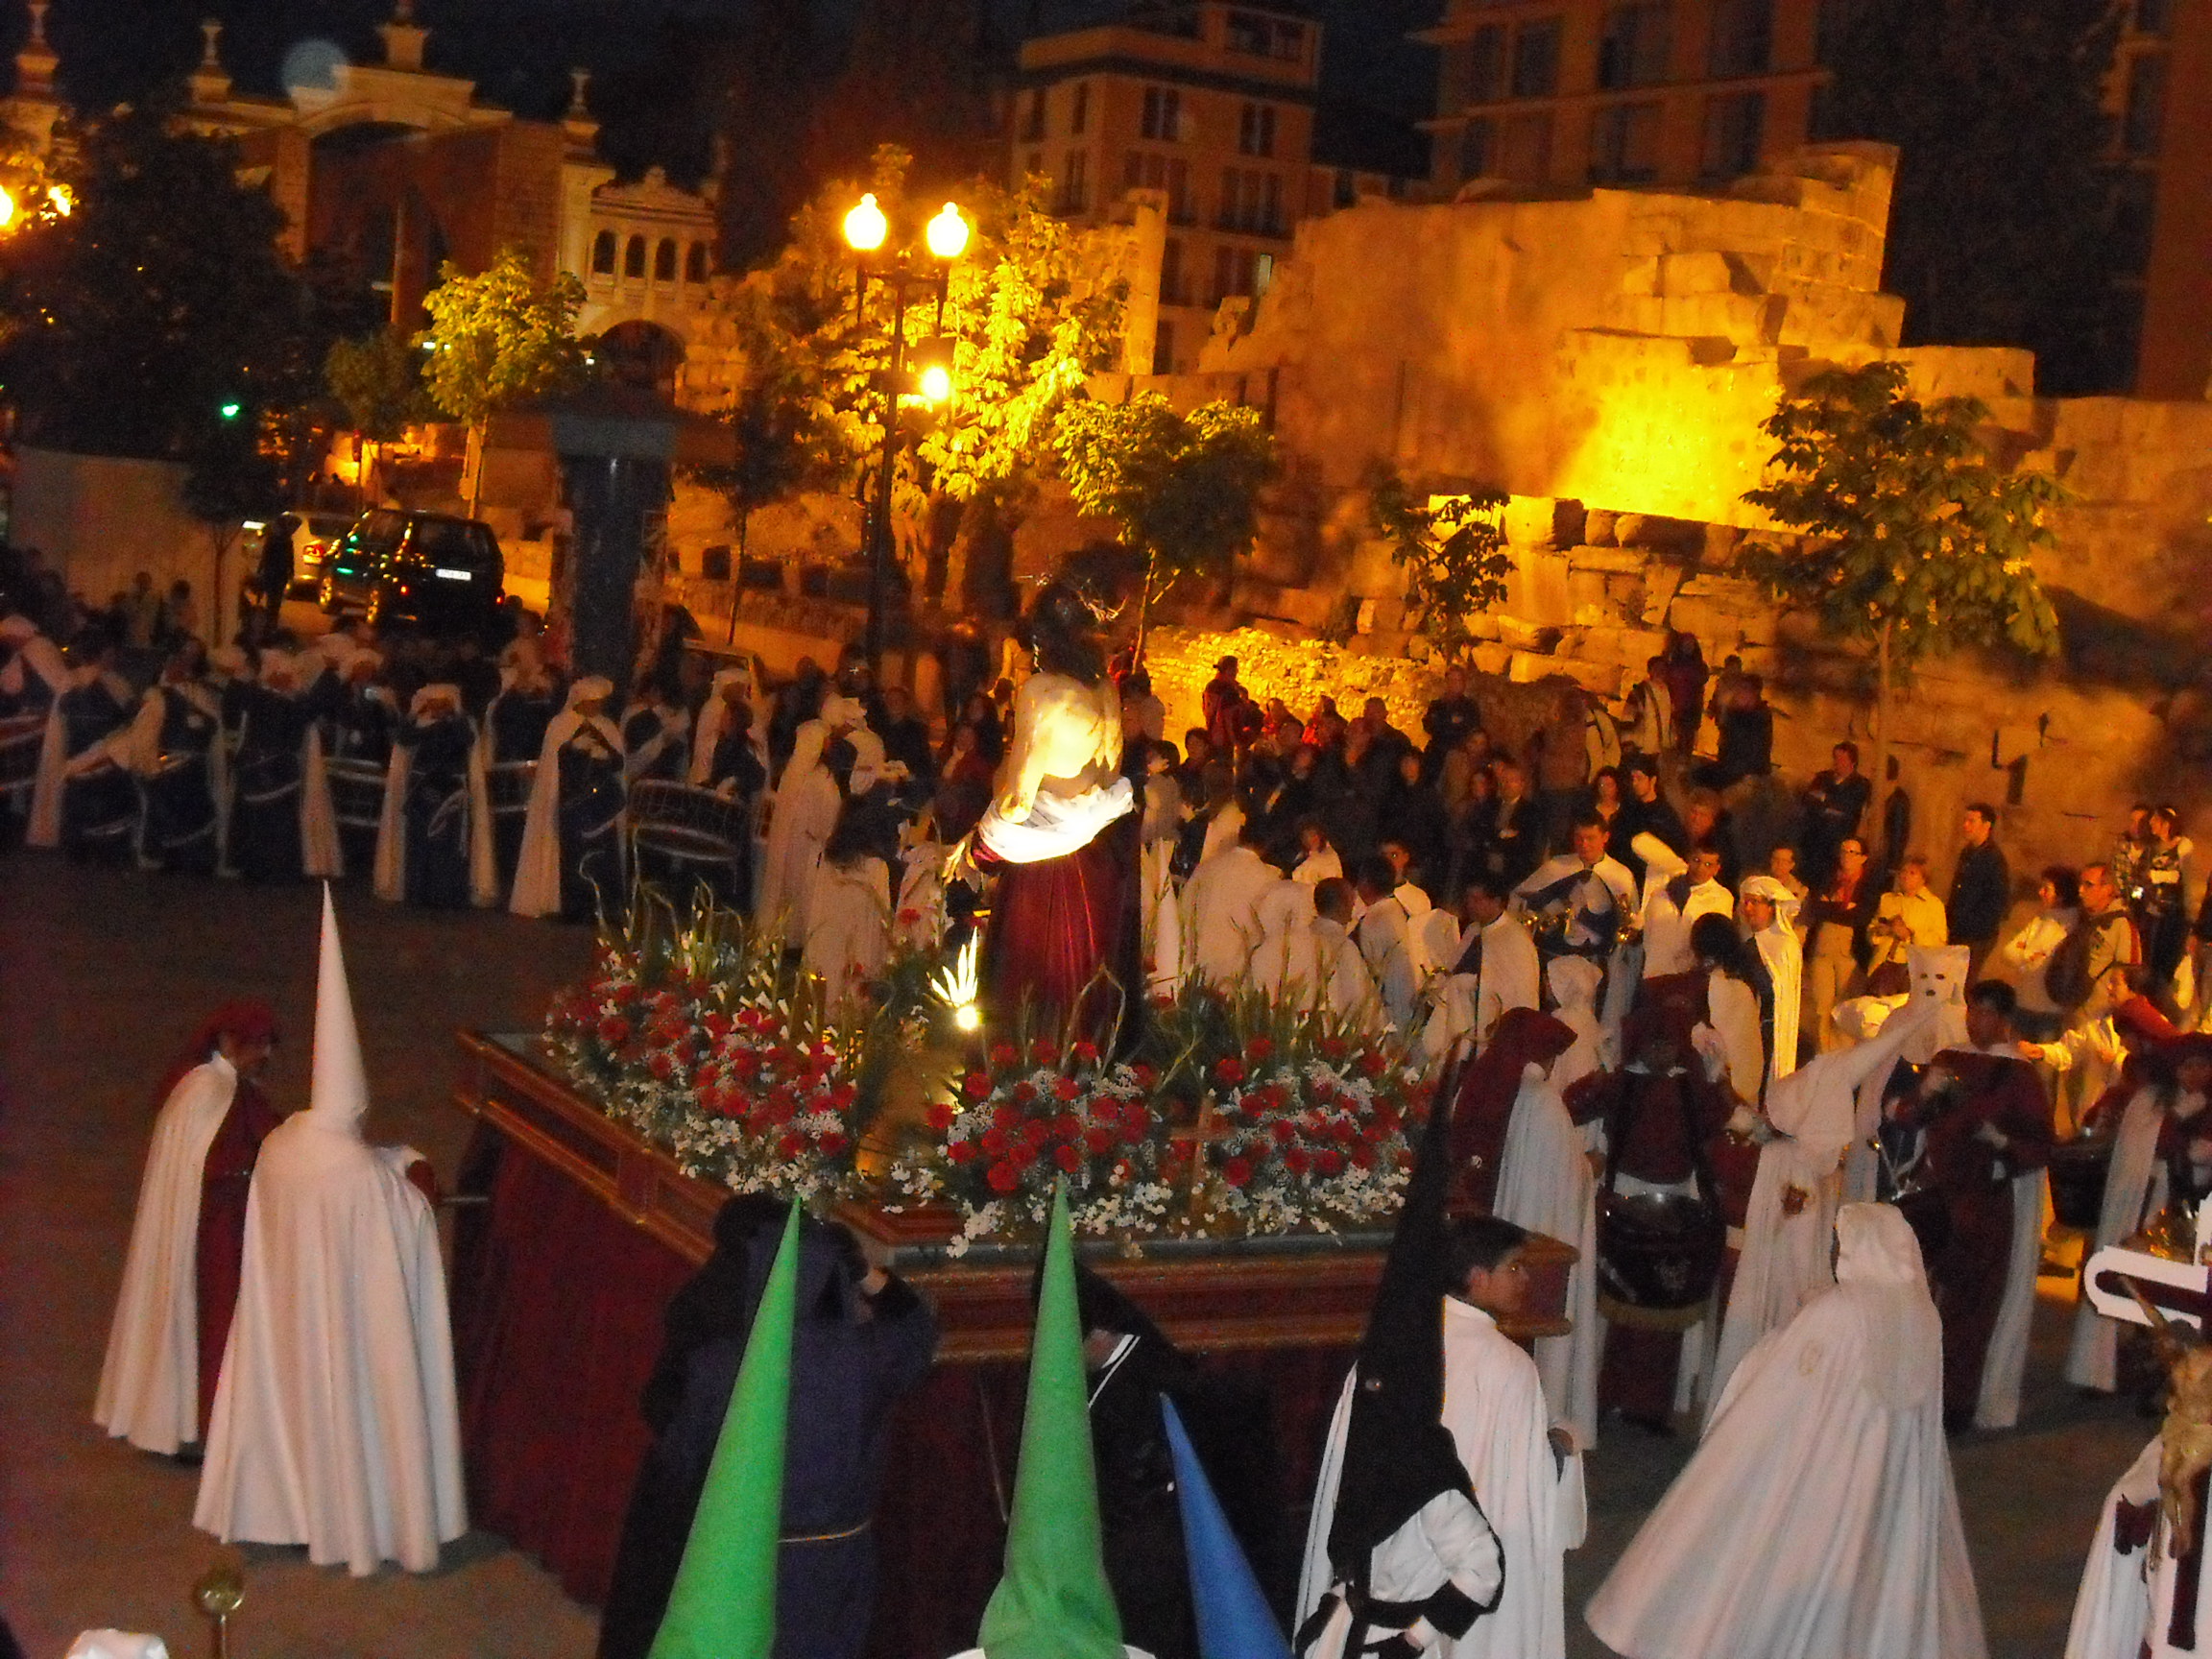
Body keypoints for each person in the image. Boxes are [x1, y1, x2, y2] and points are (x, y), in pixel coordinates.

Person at [195, 892, 465, 1575]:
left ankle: (280, 1505)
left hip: (289, 1312)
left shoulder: (285, 1142)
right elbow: (399, 1215)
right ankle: (356, 1514)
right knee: (348, 1399)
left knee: (291, 1396)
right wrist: (415, 1174)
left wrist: (393, 1161)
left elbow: (359, 1175)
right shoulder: (354, 1173)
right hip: (342, 1320)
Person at [1586, 1204, 1987, 1659]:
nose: (1834, 1252)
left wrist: (1783, 1339)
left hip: (1827, 1467)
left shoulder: (1839, 1311)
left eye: (1841, 1243)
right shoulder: (1922, 1314)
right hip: (1892, 1475)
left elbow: (1786, 1381)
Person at [600, 1198, 936, 1659]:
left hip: (743, 1550)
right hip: (838, 1558)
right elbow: (918, 1326)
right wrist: (864, 1272)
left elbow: (679, 1457)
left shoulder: (720, 1366)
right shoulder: (870, 1359)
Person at [1705, 1003, 1934, 1424]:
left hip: (1777, 1283)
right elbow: (1800, 1251)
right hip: (1779, 1284)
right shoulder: (1802, 1168)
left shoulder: (1787, 1160)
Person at [94, 1003, 283, 1458]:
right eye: (257, 1045)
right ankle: (200, 1424)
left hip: (218, 1228)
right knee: (209, 1326)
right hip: (209, 1235)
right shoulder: (207, 1093)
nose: (265, 1056)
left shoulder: (224, 1091)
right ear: (230, 1043)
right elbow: (216, 1165)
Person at [966, 560, 1140, 1034]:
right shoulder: (1106, 690)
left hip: (1046, 867)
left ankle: (1024, 1056)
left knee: (1036, 986)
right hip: (1096, 860)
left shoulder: (1043, 692)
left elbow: (1016, 803)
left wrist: (984, 826)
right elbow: (1111, 773)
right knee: (1085, 975)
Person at [1885, 980, 2056, 1431]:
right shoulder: (1949, 1058)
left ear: (2004, 1020)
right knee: (1919, 1290)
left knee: (1971, 1302)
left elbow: (2039, 1144)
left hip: (1985, 1201)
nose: (1975, 1021)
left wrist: (2001, 1143)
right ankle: (1911, 1389)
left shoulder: (2019, 1074)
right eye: (1971, 1010)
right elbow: (1908, 1116)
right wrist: (1921, 1096)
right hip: (1936, 1192)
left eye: (1985, 1013)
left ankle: (1956, 1401)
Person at [1431, 1218, 1587, 1659]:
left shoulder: (1407, 1340)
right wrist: (1561, 1446)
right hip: (1475, 1548)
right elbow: (1524, 1483)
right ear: (1478, 1278)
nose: (1527, 1279)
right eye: (1514, 1268)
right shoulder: (1508, 1365)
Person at [2063, 1034, 2212, 1394]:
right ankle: (2101, 1370)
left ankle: (2163, 1379)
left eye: (2204, 1066)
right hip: (2140, 1207)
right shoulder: (2148, 1101)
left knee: (2173, 1301)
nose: (2196, 1074)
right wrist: (2179, 1129)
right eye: (2188, 1066)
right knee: (2126, 1286)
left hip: (2187, 1214)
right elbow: (2146, 1147)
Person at [510, 677, 627, 923]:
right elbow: (554, 768)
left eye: (600, 702)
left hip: (600, 808)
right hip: (573, 807)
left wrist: (604, 755)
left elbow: (618, 764)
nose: (597, 707)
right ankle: (573, 907)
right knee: (572, 859)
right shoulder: (560, 725)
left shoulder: (607, 726)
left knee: (601, 858)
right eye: (592, 702)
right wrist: (573, 749)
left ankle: (603, 906)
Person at [221, 652, 343, 883]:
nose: (287, 678)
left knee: (280, 822)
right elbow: (236, 700)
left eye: (288, 674)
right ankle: (257, 867)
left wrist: (325, 676)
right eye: (281, 674)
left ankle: (278, 869)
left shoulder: (292, 701)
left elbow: (309, 713)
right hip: (260, 768)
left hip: (280, 769)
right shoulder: (259, 697)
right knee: (260, 821)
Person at [373, 685, 496, 910]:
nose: (437, 707)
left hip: (451, 792)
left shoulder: (460, 724)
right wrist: (416, 715)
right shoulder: (418, 724)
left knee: (449, 844)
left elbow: (466, 740)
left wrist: (452, 716)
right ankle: (419, 891)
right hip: (421, 791)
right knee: (420, 843)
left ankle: (447, 894)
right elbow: (404, 738)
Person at [27, 633, 139, 858]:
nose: (114, 657)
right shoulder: (110, 683)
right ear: (101, 654)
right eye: (110, 653)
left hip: (79, 757)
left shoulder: (73, 681)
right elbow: (130, 717)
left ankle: (82, 845)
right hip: (101, 757)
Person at [122, 646, 224, 875]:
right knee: (171, 815)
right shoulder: (157, 695)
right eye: (175, 662)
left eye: (184, 662)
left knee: (197, 813)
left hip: (195, 766)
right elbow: (144, 734)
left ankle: (197, 861)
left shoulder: (200, 692)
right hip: (169, 766)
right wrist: (149, 765)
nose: (180, 667)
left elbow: (214, 724)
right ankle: (172, 860)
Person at [483, 640, 565, 890]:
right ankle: (510, 875)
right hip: (511, 769)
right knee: (511, 824)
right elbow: (503, 728)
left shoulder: (546, 699)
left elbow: (548, 729)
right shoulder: (506, 702)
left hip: (536, 767)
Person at [803, 810, 891, 1014]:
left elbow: (815, 902)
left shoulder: (827, 862)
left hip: (825, 943)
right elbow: (880, 920)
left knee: (820, 1007)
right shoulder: (876, 868)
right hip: (856, 948)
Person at [1187, 818, 1286, 990]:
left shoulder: (1208, 866)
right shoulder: (1269, 878)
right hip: (1236, 968)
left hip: (1198, 959)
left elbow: (1186, 908)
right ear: (1267, 843)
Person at [1800, 835, 1877, 1054]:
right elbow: (1816, 908)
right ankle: (1823, 1053)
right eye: (1844, 850)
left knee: (1846, 1004)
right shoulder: (1827, 880)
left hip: (1850, 952)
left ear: (1863, 858)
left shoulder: (1868, 885)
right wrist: (1842, 909)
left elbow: (1861, 916)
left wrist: (1832, 908)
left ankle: (1843, 1054)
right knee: (1820, 1006)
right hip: (1822, 949)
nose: (1847, 856)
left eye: (1853, 852)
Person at [1634, 836, 1734, 983]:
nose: (1700, 868)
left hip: (1691, 980)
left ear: (1717, 869)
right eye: (1696, 860)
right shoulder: (1660, 894)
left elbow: (1716, 944)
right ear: (1688, 859)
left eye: (1708, 864)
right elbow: (1649, 935)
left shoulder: (1721, 898)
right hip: (1655, 975)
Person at [2001, 865, 2081, 1043]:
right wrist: (2027, 956)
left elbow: (2043, 962)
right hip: (2023, 1003)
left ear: (2061, 895)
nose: (2040, 892)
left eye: (2046, 889)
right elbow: (2008, 952)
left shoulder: (2071, 926)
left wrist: (2026, 952)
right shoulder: (2039, 920)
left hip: (2050, 1011)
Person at [1353, 854, 1428, 1031]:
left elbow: (1369, 969)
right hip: (1405, 998)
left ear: (1365, 883)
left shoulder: (1375, 919)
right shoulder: (1396, 910)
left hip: (1388, 1006)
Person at [1741, 874, 1804, 1081]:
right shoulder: (1746, 944)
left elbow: (1778, 992)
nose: (1748, 908)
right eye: (1745, 902)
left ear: (1770, 907)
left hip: (1770, 1029)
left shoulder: (1785, 945)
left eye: (1755, 902)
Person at [1866, 852, 1950, 994]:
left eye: (1912, 873)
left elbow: (1939, 942)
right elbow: (1871, 931)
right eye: (1903, 871)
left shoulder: (1934, 905)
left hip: (1913, 969)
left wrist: (1911, 934)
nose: (1905, 876)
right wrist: (1880, 932)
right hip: (1884, 965)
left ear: (1923, 879)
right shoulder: (1887, 899)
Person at [1309, 877, 1383, 1030]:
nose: (1354, 905)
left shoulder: (1303, 938)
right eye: (1352, 900)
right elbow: (1361, 999)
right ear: (1342, 905)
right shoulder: (1344, 947)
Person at [1949, 803, 2012, 975]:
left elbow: (1997, 901)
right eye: (1965, 820)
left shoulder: (1993, 859)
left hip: (1977, 936)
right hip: (1958, 931)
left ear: (1986, 825)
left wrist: (1974, 925)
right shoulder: (1967, 853)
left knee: (1965, 980)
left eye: (1971, 821)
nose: (1965, 825)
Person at [1800, 742, 1872, 891]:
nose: (1837, 763)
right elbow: (1809, 800)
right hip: (1814, 840)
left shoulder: (1860, 785)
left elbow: (1848, 810)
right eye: (1835, 758)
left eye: (1842, 759)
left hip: (1837, 843)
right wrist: (1829, 806)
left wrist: (1825, 801)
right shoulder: (1822, 778)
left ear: (1853, 762)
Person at [620, 676, 690, 786]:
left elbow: (679, 726)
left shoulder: (674, 714)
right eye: (653, 692)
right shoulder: (634, 712)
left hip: (663, 776)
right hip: (638, 771)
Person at [1422, 666, 1482, 780]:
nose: (1454, 684)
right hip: (1436, 757)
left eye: (1458, 680)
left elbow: (1470, 729)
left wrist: (1444, 723)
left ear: (1464, 683)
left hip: (1460, 758)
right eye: (1451, 680)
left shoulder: (1470, 707)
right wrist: (1449, 723)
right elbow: (1429, 726)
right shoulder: (1436, 706)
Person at [254, 515, 296, 623]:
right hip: (281, 572)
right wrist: (291, 571)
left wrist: (260, 569)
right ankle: (273, 619)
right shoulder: (287, 540)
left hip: (271, 571)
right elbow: (289, 558)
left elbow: (265, 556)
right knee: (276, 598)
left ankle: (269, 619)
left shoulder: (272, 539)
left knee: (271, 597)